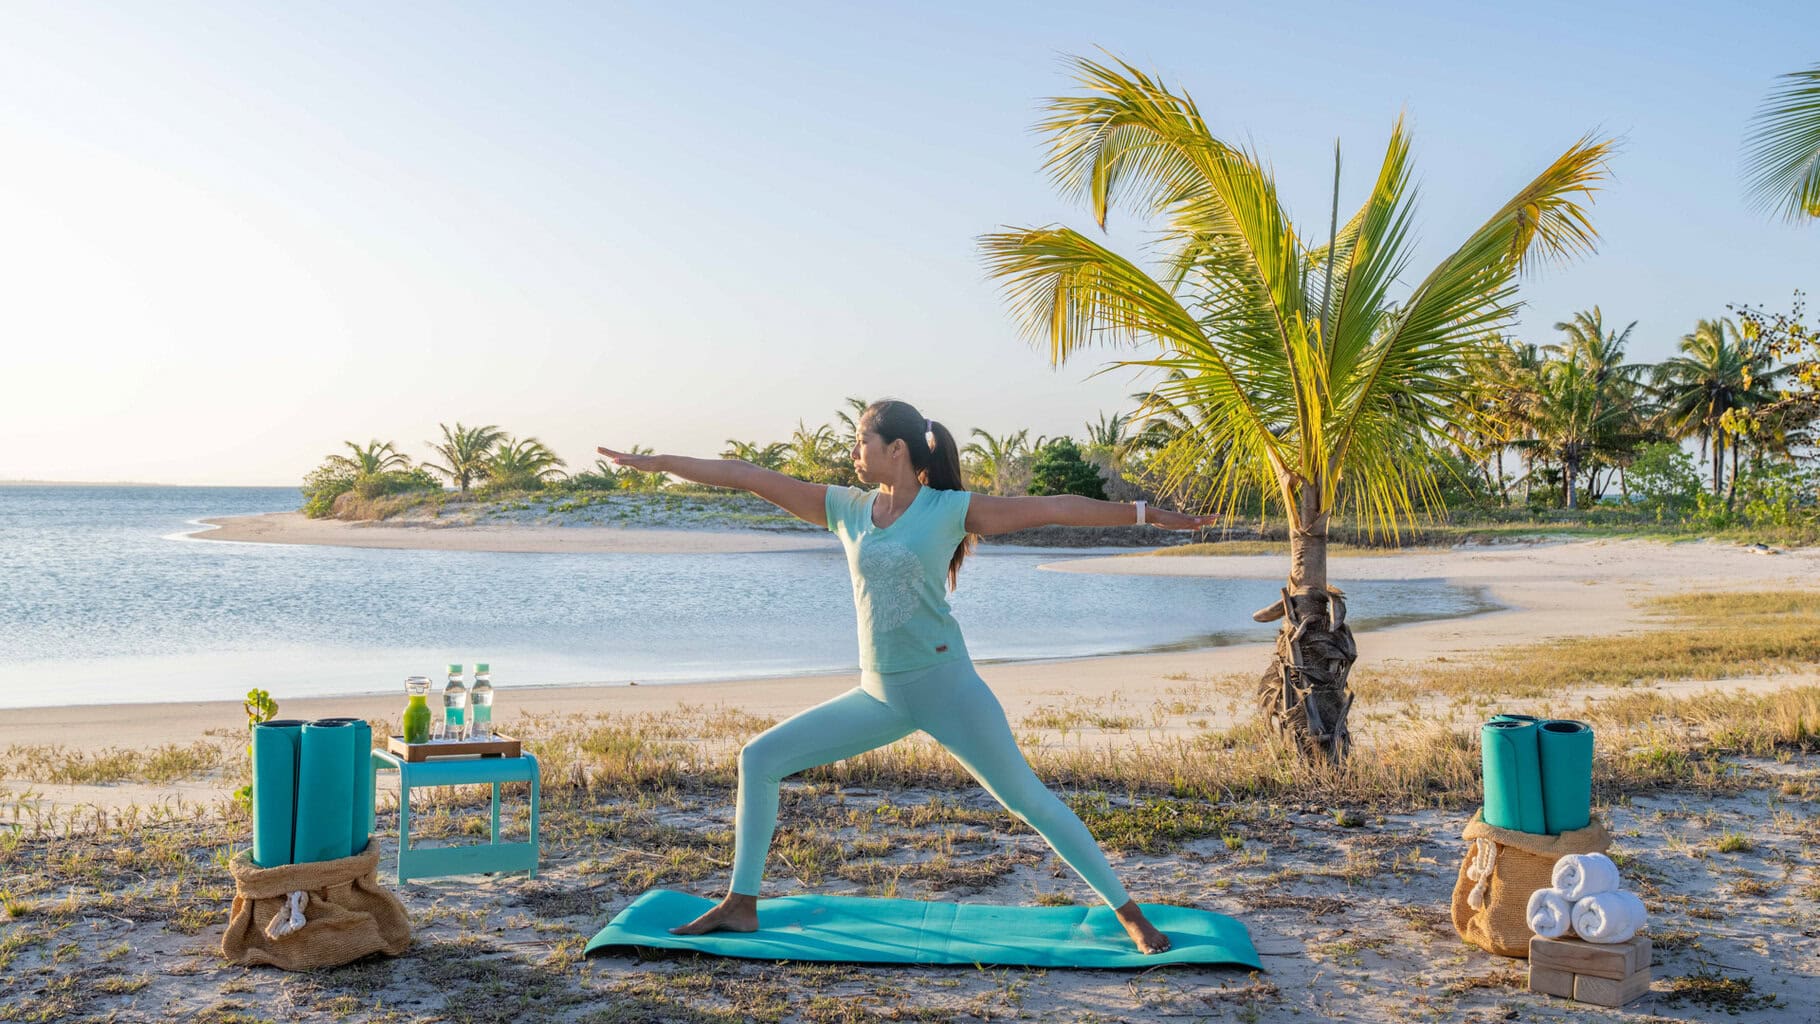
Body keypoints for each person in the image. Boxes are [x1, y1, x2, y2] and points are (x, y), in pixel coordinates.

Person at [596, 399, 1217, 954]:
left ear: (896, 448)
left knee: (1027, 799)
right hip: (880, 693)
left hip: (948, 687)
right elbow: (746, 475)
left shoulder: (951, 510)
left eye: (862, 439)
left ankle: (1129, 913)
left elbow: (1055, 507)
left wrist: (1145, 513)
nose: (853, 451)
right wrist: (661, 463)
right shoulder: (846, 509)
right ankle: (741, 903)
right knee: (758, 759)